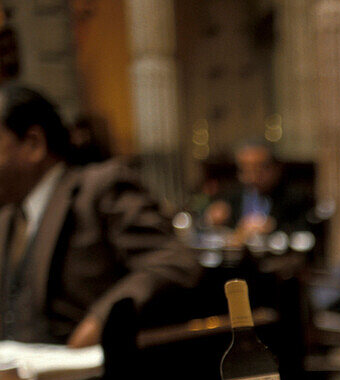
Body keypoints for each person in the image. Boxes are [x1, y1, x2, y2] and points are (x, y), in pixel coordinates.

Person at [0, 83, 200, 347]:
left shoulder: (100, 188)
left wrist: (101, 320)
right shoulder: (8, 218)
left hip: (90, 379)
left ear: (34, 144)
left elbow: (173, 261)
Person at [204, 139, 315, 239]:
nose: (252, 177)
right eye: (245, 170)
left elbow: (304, 232)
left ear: (275, 168)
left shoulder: (294, 198)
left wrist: (273, 228)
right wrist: (213, 217)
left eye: (259, 169)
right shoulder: (231, 195)